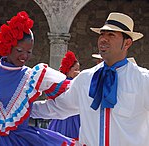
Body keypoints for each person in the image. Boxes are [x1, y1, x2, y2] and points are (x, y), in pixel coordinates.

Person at [0, 11, 75, 146]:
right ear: (8, 46)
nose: (24, 56)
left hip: (21, 139)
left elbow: (65, 96)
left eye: (29, 52)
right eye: (19, 50)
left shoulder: (33, 76)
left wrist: (35, 109)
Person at [31, 12, 149, 146]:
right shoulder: (86, 78)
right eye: (102, 34)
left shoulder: (143, 80)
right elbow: (59, 107)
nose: (103, 39)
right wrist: (24, 110)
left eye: (111, 35)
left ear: (127, 43)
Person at [48, 51, 81, 139]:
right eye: (76, 69)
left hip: (74, 116)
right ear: (68, 70)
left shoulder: (73, 82)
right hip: (66, 118)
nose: (78, 72)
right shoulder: (64, 84)